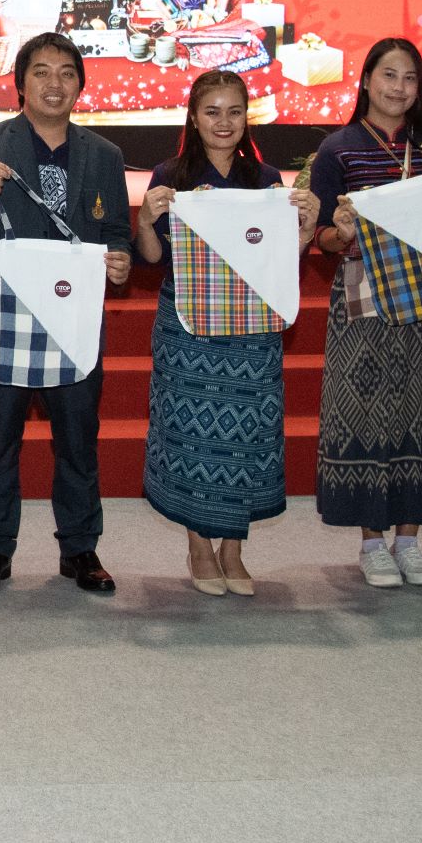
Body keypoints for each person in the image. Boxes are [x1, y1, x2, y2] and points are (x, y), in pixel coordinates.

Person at [0, 31, 134, 596]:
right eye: (42, 72)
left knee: (78, 443)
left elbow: (117, 232)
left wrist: (120, 261)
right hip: (5, 321)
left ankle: (81, 549)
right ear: (20, 83)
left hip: (73, 323)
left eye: (67, 73)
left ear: (80, 85)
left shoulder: (105, 155)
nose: (55, 83)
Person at [306, 39, 422, 589]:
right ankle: (371, 543)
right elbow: (320, 240)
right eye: (389, 75)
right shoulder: (337, 150)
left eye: (410, 78)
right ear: (366, 80)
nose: (399, 88)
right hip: (365, 301)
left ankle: (409, 540)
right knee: (366, 412)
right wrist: (341, 233)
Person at [135, 70, 317, 597]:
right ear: (194, 117)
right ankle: (198, 544)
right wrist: (145, 221)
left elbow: (282, 259)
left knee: (247, 435)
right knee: (190, 432)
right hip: (188, 327)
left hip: (252, 327)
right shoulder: (170, 176)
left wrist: (305, 228)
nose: (223, 122)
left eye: (234, 111)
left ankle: (233, 549)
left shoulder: (266, 181)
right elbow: (153, 258)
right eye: (212, 111)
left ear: (246, 118)